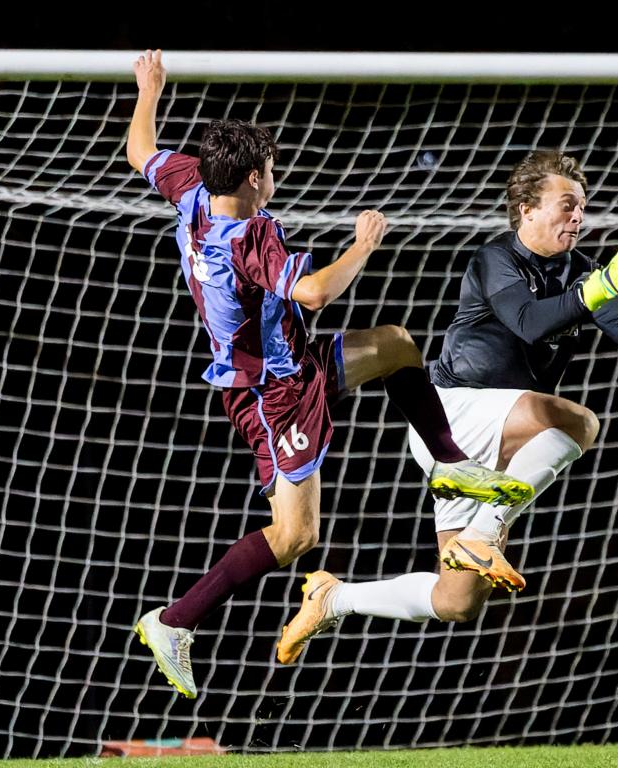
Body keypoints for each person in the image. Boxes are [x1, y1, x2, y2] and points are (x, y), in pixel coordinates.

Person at [125, 50, 534, 699]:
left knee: (399, 346)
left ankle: (451, 461)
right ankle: (173, 621)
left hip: (299, 364)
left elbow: (139, 148)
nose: (274, 176)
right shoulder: (248, 236)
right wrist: (364, 244)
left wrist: (149, 88)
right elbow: (312, 292)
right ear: (255, 177)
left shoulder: (192, 188)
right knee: (296, 536)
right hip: (274, 393)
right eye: (272, 169)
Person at [276, 148, 618, 664]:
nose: (578, 216)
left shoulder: (582, 270)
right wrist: (595, 290)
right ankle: (483, 533)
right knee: (580, 422)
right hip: (451, 419)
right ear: (526, 209)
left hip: (495, 441)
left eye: (582, 206)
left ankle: (334, 598)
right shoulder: (496, 259)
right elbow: (528, 321)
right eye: (566, 205)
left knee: (457, 601)